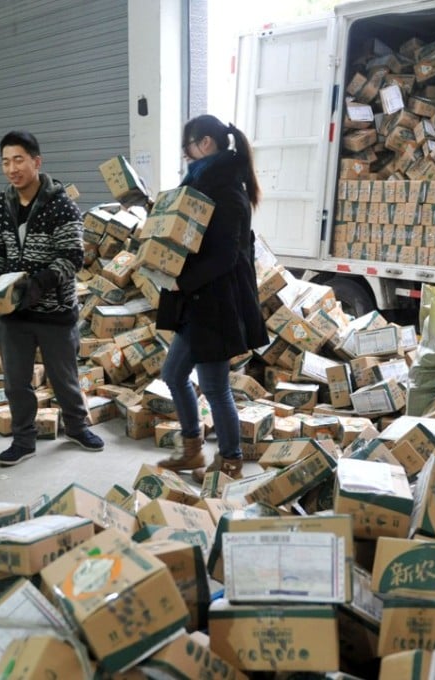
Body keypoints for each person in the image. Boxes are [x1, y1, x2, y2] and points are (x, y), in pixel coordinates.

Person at [0, 131, 104, 467]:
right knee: (16, 382)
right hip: (13, 312)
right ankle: (23, 440)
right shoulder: (0, 204)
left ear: (36, 162)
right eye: (6, 162)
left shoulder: (61, 205)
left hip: (54, 310)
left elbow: (71, 257)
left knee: (64, 378)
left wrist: (38, 285)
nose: (12, 168)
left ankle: (77, 427)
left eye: (18, 160)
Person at [155, 115, 269, 482]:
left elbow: (226, 256)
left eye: (187, 146)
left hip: (217, 304)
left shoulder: (228, 191)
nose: (185, 154)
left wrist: (182, 281)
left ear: (205, 143)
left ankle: (231, 462)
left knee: (216, 387)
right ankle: (192, 449)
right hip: (197, 302)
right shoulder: (203, 184)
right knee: (174, 374)